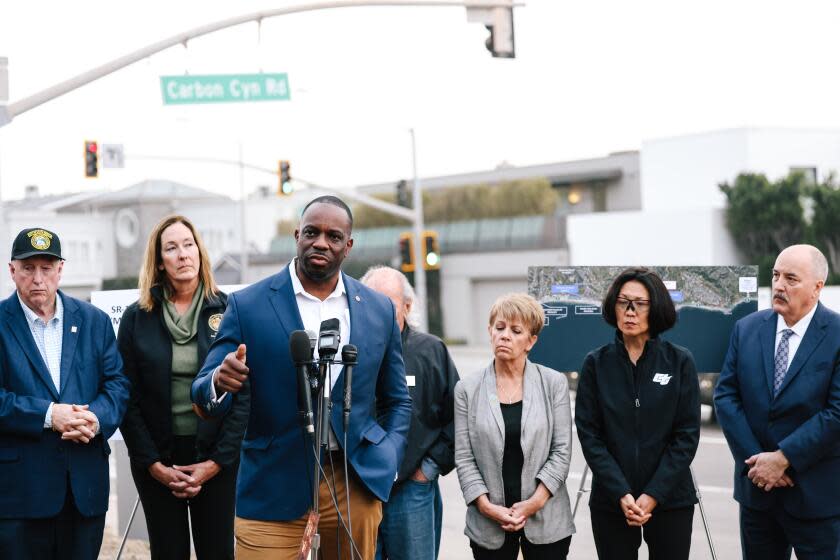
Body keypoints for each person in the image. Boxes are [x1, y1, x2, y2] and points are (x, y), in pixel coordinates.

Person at [192, 195, 412, 560]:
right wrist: (218, 380)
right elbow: (201, 389)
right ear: (297, 235)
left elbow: (397, 399)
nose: (321, 242)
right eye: (312, 232)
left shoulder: (378, 309)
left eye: (333, 236)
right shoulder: (249, 304)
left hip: (353, 479)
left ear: (348, 245)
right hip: (272, 483)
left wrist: (387, 456)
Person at [118, 215, 249, 559]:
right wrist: (153, 465)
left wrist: (216, 463)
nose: (182, 254)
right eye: (171, 248)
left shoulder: (229, 309)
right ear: (160, 262)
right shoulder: (137, 317)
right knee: (168, 552)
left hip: (216, 459)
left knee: (218, 552)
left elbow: (243, 396)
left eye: (188, 245)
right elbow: (126, 397)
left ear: (200, 252)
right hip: (159, 461)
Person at [0, 227, 130, 559]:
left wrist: (94, 418)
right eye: (28, 268)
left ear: (60, 270)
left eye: (46, 267)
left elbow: (117, 385)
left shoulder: (94, 321)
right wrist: (49, 416)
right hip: (20, 497)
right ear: (12, 270)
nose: (38, 278)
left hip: (84, 493)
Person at [715, 244, 840, 558]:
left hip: (817, 497)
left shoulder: (837, 334)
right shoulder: (747, 329)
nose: (780, 285)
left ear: (817, 287)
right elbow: (726, 397)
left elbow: (836, 413)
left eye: (791, 278)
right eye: (776, 275)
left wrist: (783, 458)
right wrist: (759, 463)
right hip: (758, 494)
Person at [575, 267, 700, 560]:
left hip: (670, 499)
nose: (630, 311)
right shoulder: (596, 364)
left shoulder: (680, 361)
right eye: (623, 302)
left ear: (655, 308)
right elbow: (590, 436)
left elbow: (687, 436)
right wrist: (622, 493)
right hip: (612, 500)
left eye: (640, 304)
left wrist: (653, 495)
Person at [454, 293, 574, 560]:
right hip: (488, 522)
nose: (505, 335)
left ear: (531, 341)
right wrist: (486, 507)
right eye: (499, 328)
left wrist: (534, 503)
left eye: (515, 330)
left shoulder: (553, 384)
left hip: (546, 518)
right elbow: (464, 458)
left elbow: (562, 451)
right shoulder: (467, 389)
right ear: (490, 331)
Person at [361, 266, 459, 560]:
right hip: (360, 489)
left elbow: (459, 417)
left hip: (411, 491)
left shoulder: (431, 352)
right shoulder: (351, 352)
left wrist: (427, 469)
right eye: (371, 302)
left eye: (388, 304)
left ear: (407, 305)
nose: (379, 311)